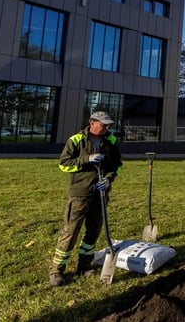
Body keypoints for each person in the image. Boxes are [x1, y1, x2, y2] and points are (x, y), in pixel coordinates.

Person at [49, 111, 123, 287]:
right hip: (80, 194)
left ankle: (84, 265)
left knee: (94, 230)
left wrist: (108, 179)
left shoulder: (111, 141)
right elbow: (63, 164)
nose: (107, 127)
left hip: (100, 194)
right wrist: (86, 159)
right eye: (103, 124)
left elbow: (116, 164)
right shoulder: (76, 140)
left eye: (108, 125)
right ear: (92, 122)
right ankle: (56, 270)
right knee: (70, 232)